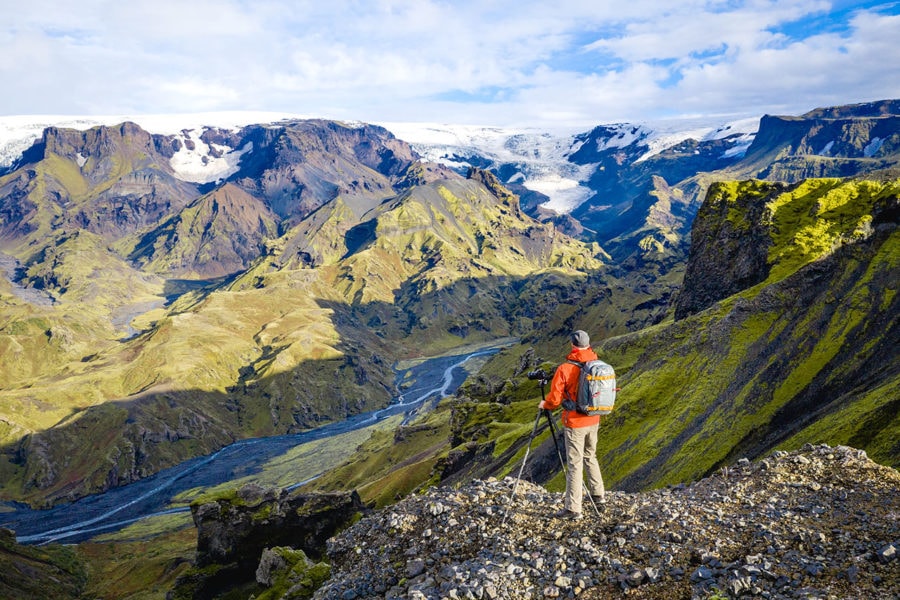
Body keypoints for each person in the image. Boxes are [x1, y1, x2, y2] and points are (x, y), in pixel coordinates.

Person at [539, 329, 606, 519]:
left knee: (575, 464)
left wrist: (545, 404)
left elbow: (554, 399)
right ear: (588, 344)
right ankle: (598, 497)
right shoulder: (596, 364)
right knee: (590, 456)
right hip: (594, 418)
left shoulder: (565, 368)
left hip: (575, 423)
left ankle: (573, 509)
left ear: (572, 345)